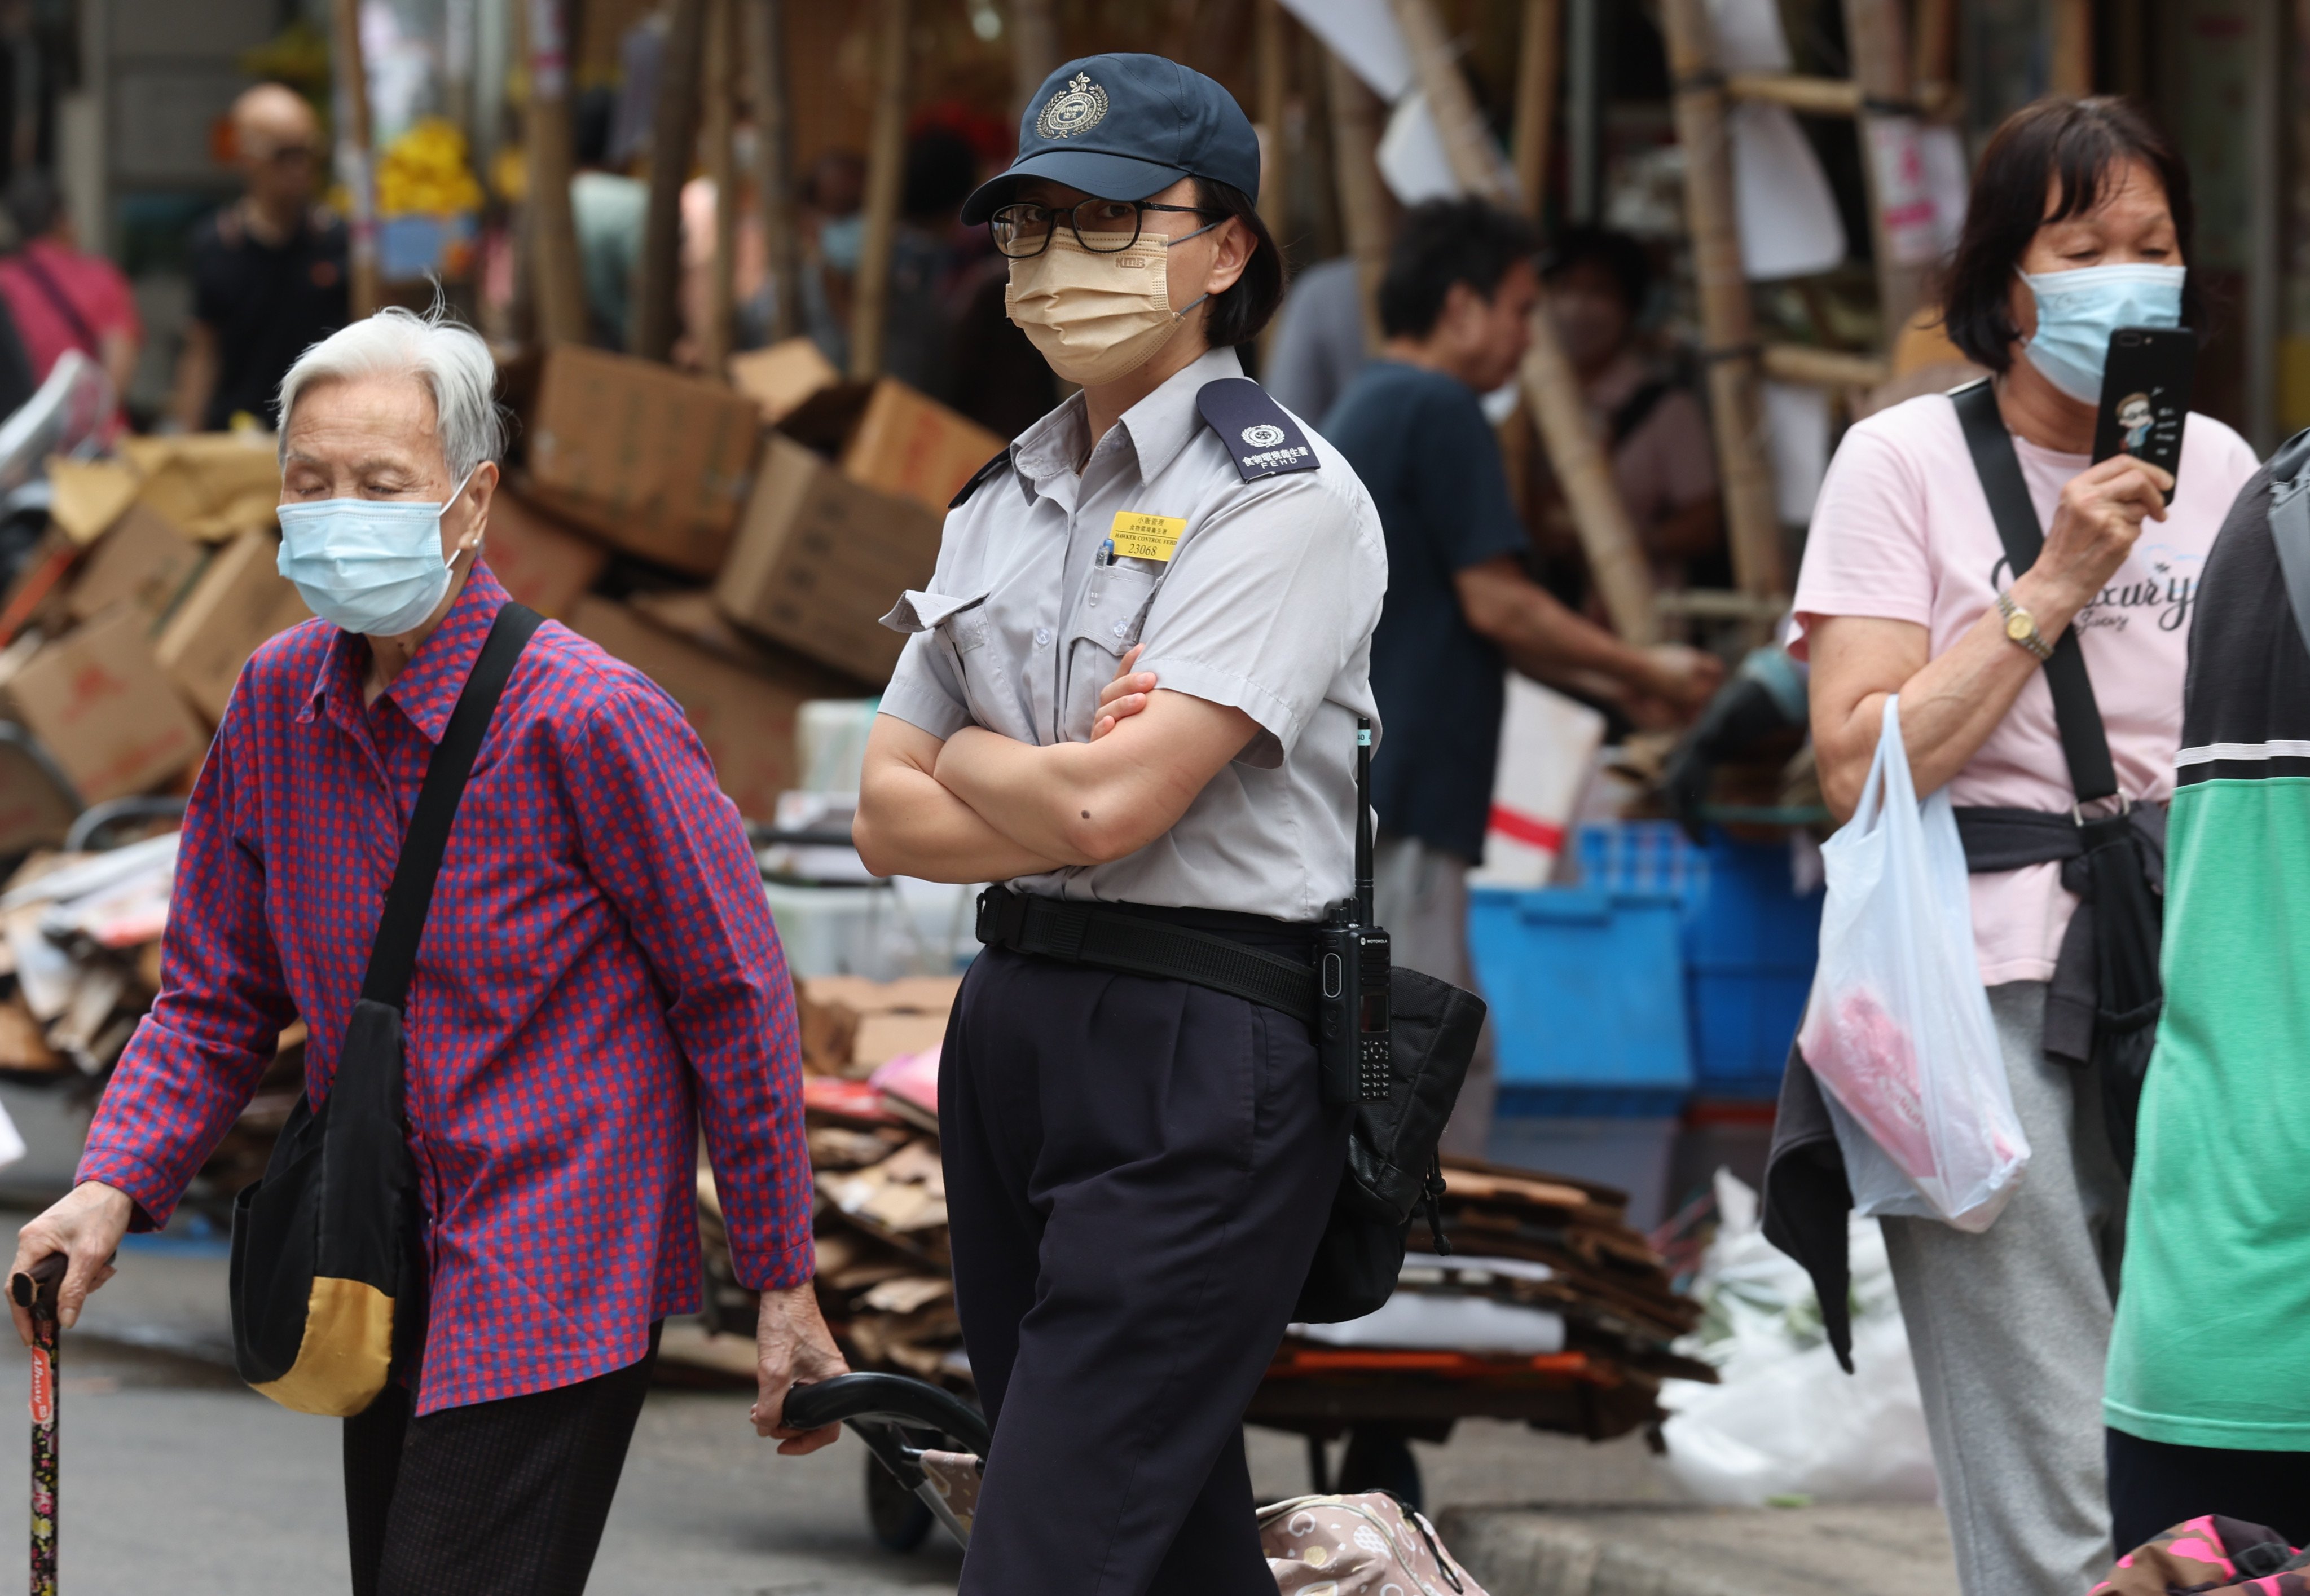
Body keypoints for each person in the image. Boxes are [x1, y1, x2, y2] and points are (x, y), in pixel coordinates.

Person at [12, 306, 846, 1593]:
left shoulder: (592, 720)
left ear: (470, 500)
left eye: (381, 483)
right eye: (311, 481)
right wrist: (109, 1186)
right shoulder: (277, 702)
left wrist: (783, 1281)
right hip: (376, 1249)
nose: (340, 510)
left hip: (554, 1257)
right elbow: (212, 997)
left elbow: (736, 1000)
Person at [852, 54, 1384, 1594]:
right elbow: (884, 812)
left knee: (1051, 1538)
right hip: (1014, 1017)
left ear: (1221, 250)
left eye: (1103, 221)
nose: (1053, 263)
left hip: (1200, 1043)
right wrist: (1030, 785)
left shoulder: (1281, 499)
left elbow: (1109, 801)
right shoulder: (1000, 494)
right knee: (1149, 1534)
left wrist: (982, 765)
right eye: (1028, 230)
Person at [1784, 98, 2259, 1596]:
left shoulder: (2227, 468)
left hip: (2203, 986)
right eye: (2080, 246)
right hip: (1969, 993)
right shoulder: (1898, 460)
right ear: (1998, 280)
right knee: (2047, 1468)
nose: (2126, 278)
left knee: (2198, 1442)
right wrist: (2049, 580)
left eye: (2153, 247)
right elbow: (1853, 758)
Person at [1321, 198, 1723, 1156]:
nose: (1525, 337)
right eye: (1516, 310)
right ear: (1460, 308)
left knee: (1424, 1031)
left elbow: (1485, 615)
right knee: (1414, 1046)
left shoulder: (1373, 403)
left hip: (1377, 781)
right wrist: (1643, 665)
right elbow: (1499, 601)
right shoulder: (1439, 408)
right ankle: (1408, 1265)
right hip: (1406, 786)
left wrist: (1619, 687)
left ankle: (1413, 1254)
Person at [1532, 226, 1723, 600]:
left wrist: (1621, 544)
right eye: (1564, 287)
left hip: (1633, 610)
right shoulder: (1519, 402)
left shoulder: (1666, 409)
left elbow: (1703, 525)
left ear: (1629, 308)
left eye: (1598, 291)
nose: (1577, 306)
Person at [168, 83, 350, 432]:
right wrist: (185, 437)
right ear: (246, 157)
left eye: (308, 152)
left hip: (324, 432)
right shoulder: (217, 245)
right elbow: (203, 350)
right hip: (237, 435)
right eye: (284, 154)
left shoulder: (337, 241)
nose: (299, 167)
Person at [0, 169, 140, 403]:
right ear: (61, 220)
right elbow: (117, 375)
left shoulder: (5, 280)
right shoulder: (101, 278)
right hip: (88, 433)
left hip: (19, 431)